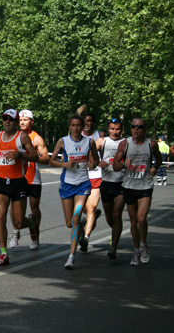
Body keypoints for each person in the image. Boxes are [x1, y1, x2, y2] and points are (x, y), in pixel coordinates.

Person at [0, 109, 39, 266]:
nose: (7, 122)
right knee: (1, 217)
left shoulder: (21, 137)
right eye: (5, 119)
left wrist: (20, 155)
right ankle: (3, 254)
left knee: (19, 223)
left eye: (11, 120)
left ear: (16, 123)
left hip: (18, 183)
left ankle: (32, 223)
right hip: (2, 181)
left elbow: (35, 156)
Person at [49, 114, 96, 269]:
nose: (76, 128)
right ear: (69, 126)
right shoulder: (63, 141)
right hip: (67, 184)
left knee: (75, 217)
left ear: (82, 127)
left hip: (83, 185)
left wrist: (91, 164)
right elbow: (51, 161)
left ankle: (71, 257)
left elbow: (94, 160)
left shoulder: (89, 142)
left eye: (78, 125)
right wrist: (64, 164)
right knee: (70, 223)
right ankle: (81, 226)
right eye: (73, 125)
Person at [113, 118, 162, 266]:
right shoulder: (125, 144)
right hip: (129, 186)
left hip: (145, 186)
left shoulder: (151, 144)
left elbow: (159, 159)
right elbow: (115, 165)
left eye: (140, 127)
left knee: (141, 219)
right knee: (134, 222)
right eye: (134, 126)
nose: (136, 129)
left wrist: (155, 168)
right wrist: (122, 164)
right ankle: (136, 250)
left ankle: (143, 245)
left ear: (145, 129)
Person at [9, 110, 49, 250]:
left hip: (33, 178)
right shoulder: (14, 136)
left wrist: (29, 156)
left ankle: (35, 234)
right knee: (14, 207)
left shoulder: (37, 138)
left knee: (34, 208)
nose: (22, 122)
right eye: (20, 120)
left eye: (25, 120)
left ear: (32, 122)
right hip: (17, 176)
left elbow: (45, 158)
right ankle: (15, 233)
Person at [95, 118, 125, 259]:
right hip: (106, 182)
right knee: (108, 216)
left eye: (117, 129)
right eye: (112, 128)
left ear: (122, 130)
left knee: (116, 213)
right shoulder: (102, 141)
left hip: (122, 183)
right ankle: (116, 232)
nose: (115, 131)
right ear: (108, 129)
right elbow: (90, 152)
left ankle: (113, 247)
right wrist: (96, 162)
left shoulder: (126, 143)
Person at [78, 106, 103, 253]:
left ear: (93, 123)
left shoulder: (99, 136)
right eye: (85, 120)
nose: (87, 123)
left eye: (90, 121)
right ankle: (86, 225)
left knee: (91, 207)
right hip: (79, 176)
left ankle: (86, 238)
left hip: (95, 175)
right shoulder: (76, 134)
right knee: (80, 212)